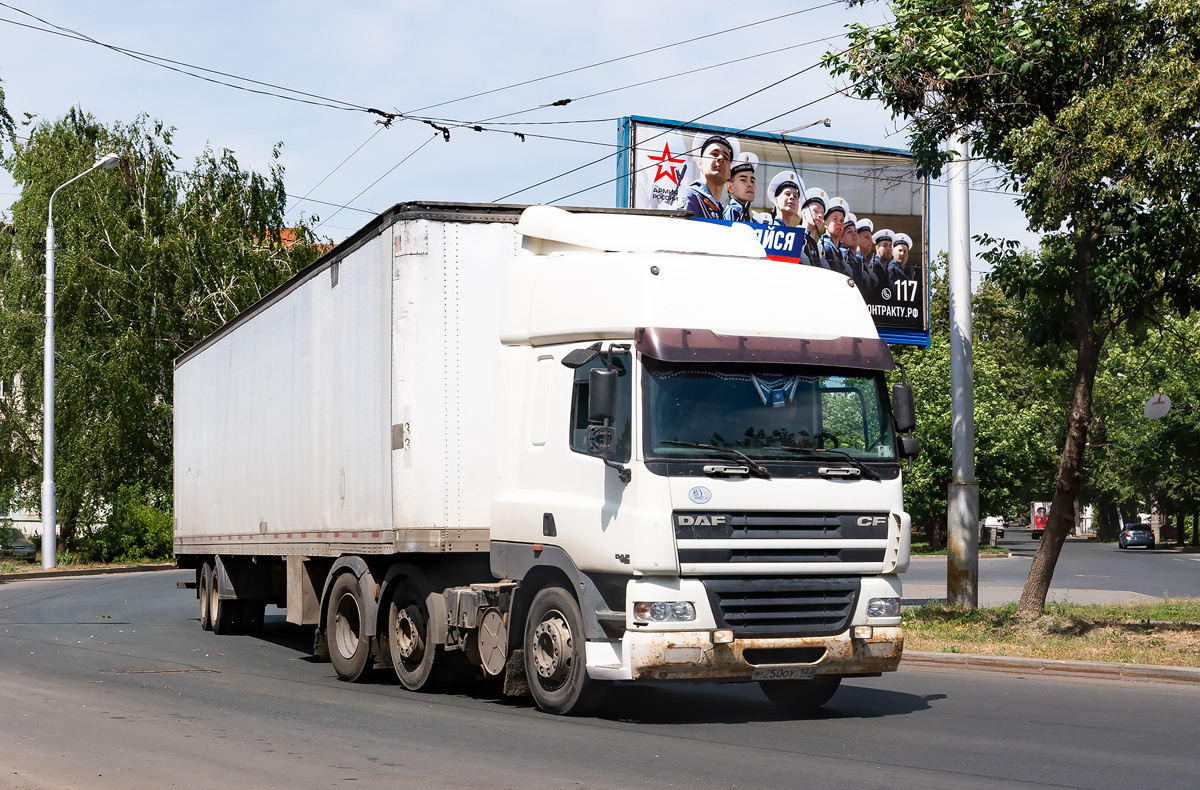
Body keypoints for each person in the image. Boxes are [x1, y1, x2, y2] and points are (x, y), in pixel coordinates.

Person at [673, 132, 739, 219]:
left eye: (726, 158)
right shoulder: (691, 196)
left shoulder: (720, 210)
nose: (721, 158)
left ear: (729, 174)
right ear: (700, 163)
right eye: (714, 154)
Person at [819, 196, 854, 278]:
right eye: (835, 219)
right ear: (825, 224)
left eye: (842, 220)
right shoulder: (824, 247)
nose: (839, 223)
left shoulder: (836, 250)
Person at [724, 151, 762, 223]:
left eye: (752, 181)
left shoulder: (747, 215)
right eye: (743, 180)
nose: (750, 184)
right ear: (729, 187)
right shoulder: (731, 213)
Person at [799, 187, 829, 268]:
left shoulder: (817, 244)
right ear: (804, 212)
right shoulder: (797, 236)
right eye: (815, 211)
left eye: (822, 214)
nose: (820, 215)